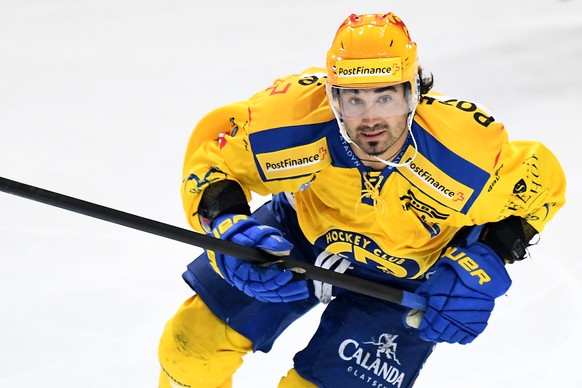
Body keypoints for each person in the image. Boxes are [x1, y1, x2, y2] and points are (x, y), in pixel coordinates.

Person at [158, 12, 566, 388]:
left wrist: (486, 258)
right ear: (332, 97)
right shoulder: (293, 117)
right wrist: (226, 225)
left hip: (407, 276)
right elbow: (217, 154)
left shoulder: (466, 154)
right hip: (295, 242)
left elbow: (541, 189)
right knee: (190, 350)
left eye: (385, 98)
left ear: (412, 93)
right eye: (354, 100)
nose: (370, 119)